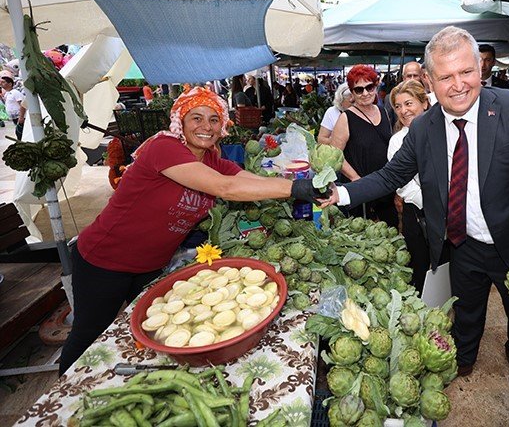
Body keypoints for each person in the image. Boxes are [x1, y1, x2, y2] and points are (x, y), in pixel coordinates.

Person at [322, 26, 509, 401]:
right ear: (429, 80)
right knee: (467, 308)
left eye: (466, 72)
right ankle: (464, 357)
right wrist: (340, 192)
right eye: (445, 76)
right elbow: (393, 175)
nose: (458, 85)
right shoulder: (423, 127)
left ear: (480, 68)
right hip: (463, 241)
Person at [58, 86, 325, 374]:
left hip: (151, 264)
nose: (206, 126)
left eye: (214, 119)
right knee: (89, 335)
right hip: (105, 259)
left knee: (155, 333)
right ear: (181, 122)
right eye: (196, 118)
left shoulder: (211, 159)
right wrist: (295, 188)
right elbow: (226, 188)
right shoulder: (164, 148)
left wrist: (301, 186)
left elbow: (244, 177)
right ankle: (60, 404)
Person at [330, 65, 398, 228]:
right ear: (352, 94)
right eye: (359, 90)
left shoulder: (384, 112)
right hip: (360, 190)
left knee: (390, 230)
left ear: (376, 86)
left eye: (369, 87)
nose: (365, 93)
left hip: (384, 186)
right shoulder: (346, 118)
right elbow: (334, 154)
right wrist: (355, 179)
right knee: (363, 235)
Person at [387, 80, 431, 293]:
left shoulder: (444, 132)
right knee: (420, 267)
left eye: (408, 103)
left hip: (453, 214)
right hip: (418, 214)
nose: (403, 110)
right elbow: (403, 185)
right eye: (398, 106)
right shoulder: (397, 141)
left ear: (425, 103)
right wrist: (434, 204)